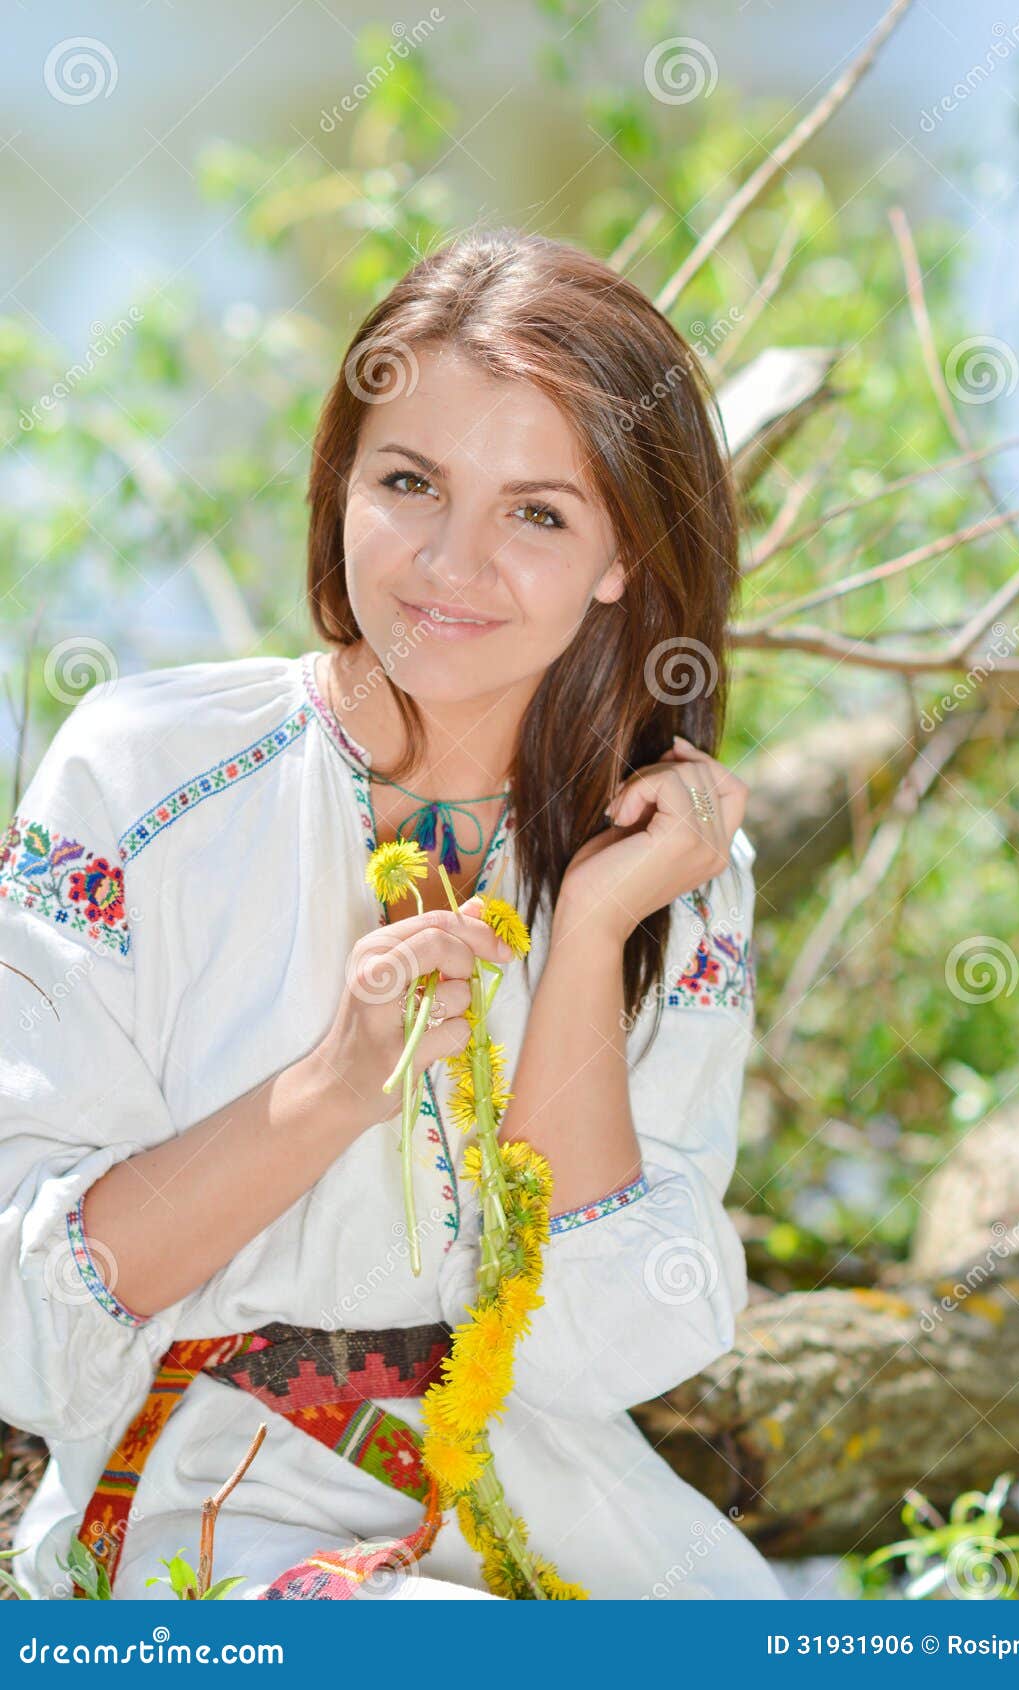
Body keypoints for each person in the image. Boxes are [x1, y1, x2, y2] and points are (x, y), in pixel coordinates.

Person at [1, 226, 785, 1601]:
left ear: (621, 557)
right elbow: (20, 1318)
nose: (450, 562)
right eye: (409, 482)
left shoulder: (677, 863)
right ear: (341, 484)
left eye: (537, 512)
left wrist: (594, 929)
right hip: (207, 1505)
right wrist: (325, 1090)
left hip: (559, 1512)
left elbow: (599, 1349)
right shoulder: (141, 774)